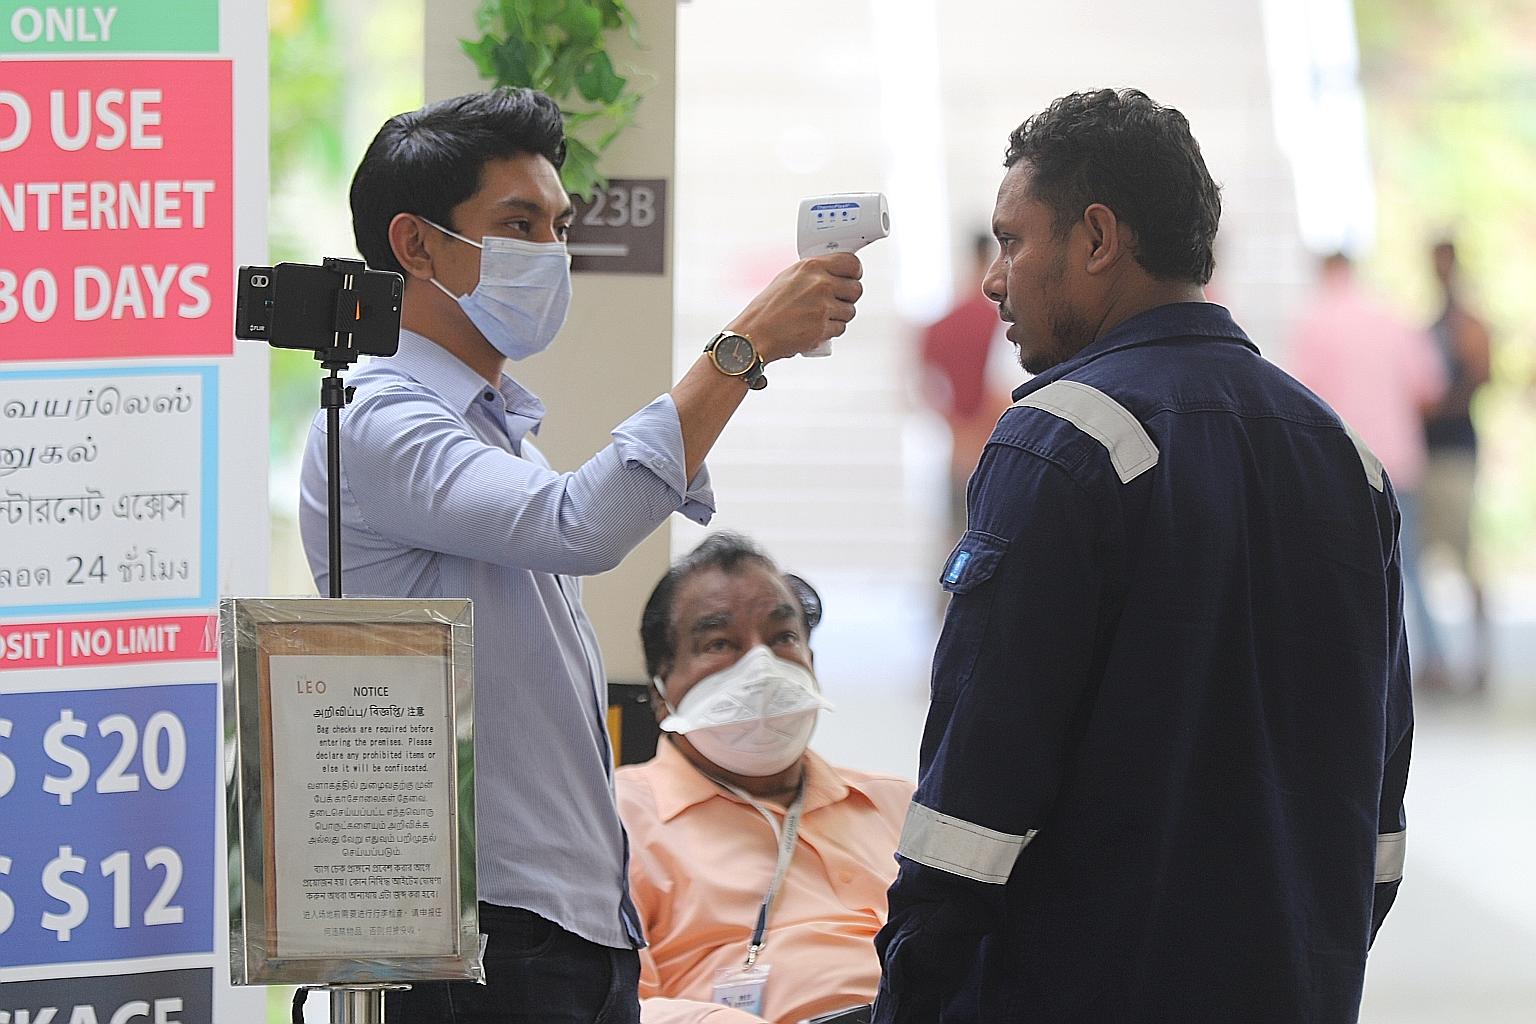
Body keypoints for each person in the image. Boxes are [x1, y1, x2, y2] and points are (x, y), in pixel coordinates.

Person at [298, 88, 864, 1024]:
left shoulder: (491, 433)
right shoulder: (376, 418)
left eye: (559, 226)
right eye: (518, 224)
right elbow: (579, 526)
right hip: (483, 937)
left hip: (570, 928)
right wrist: (742, 348)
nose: (551, 253)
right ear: (416, 245)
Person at [872, 89, 1412, 1023]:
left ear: (1095, 238)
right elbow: (1380, 803)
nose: (996, 280)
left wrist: (913, 992)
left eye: (1013, 240)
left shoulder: (1057, 440)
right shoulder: (1345, 461)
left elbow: (977, 793)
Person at [618, 533, 912, 1024]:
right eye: (719, 643)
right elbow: (612, 1005)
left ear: (812, 665)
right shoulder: (617, 817)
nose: (762, 666)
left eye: (783, 639)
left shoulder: (901, 804)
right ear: (660, 692)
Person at [1290, 251, 1447, 690]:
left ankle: (1354, 663)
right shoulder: (1392, 317)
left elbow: (1301, 396)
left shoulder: (1316, 320)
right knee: (1409, 564)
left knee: (1341, 565)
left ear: (1324, 272)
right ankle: (1433, 659)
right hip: (1399, 460)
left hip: (1343, 463)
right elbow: (1429, 388)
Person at [1422, 238, 1492, 692]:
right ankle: (1439, 659)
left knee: (1464, 557)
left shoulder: (1466, 324)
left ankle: (1483, 659)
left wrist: (1438, 406)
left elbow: (1481, 375)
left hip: (1456, 449)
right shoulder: (1432, 325)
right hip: (1430, 452)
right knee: (1424, 560)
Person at [918, 232, 1014, 546]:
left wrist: (958, 428)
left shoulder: (941, 324)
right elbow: (1003, 390)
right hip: (997, 452)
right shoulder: (1008, 323)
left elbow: (924, 386)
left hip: (960, 452)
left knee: (956, 551)